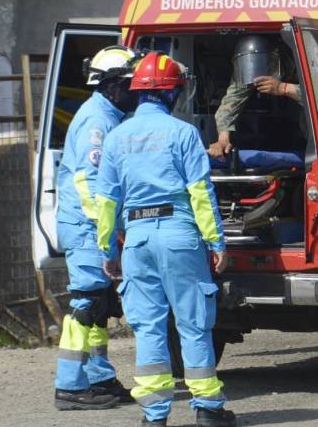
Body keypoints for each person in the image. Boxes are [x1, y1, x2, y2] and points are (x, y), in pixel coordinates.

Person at [96, 52, 237, 427]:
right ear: (172, 93)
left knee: (148, 328)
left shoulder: (115, 138)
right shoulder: (184, 134)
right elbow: (201, 194)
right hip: (179, 235)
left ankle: (154, 416)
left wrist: (108, 250)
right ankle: (207, 409)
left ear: (138, 92)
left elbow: (106, 203)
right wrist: (216, 243)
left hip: (137, 241)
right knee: (193, 324)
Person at [52, 46, 140, 410]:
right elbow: (89, 184)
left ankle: (99, 376)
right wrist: (106, 232)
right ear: (113, 85)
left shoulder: (108, 115)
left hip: (91, 225)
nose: (135, 90)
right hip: (87, 226)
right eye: (130, 83)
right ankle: (70, 385)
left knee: (99, 306)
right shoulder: (98, 121)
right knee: (85, 305)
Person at [207, 35, 301, 159]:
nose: (256, 73)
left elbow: (317, 98)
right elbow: (229, 105)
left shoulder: (299, 59)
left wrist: (283, 88)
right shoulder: (247, 71)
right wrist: (223, 139)